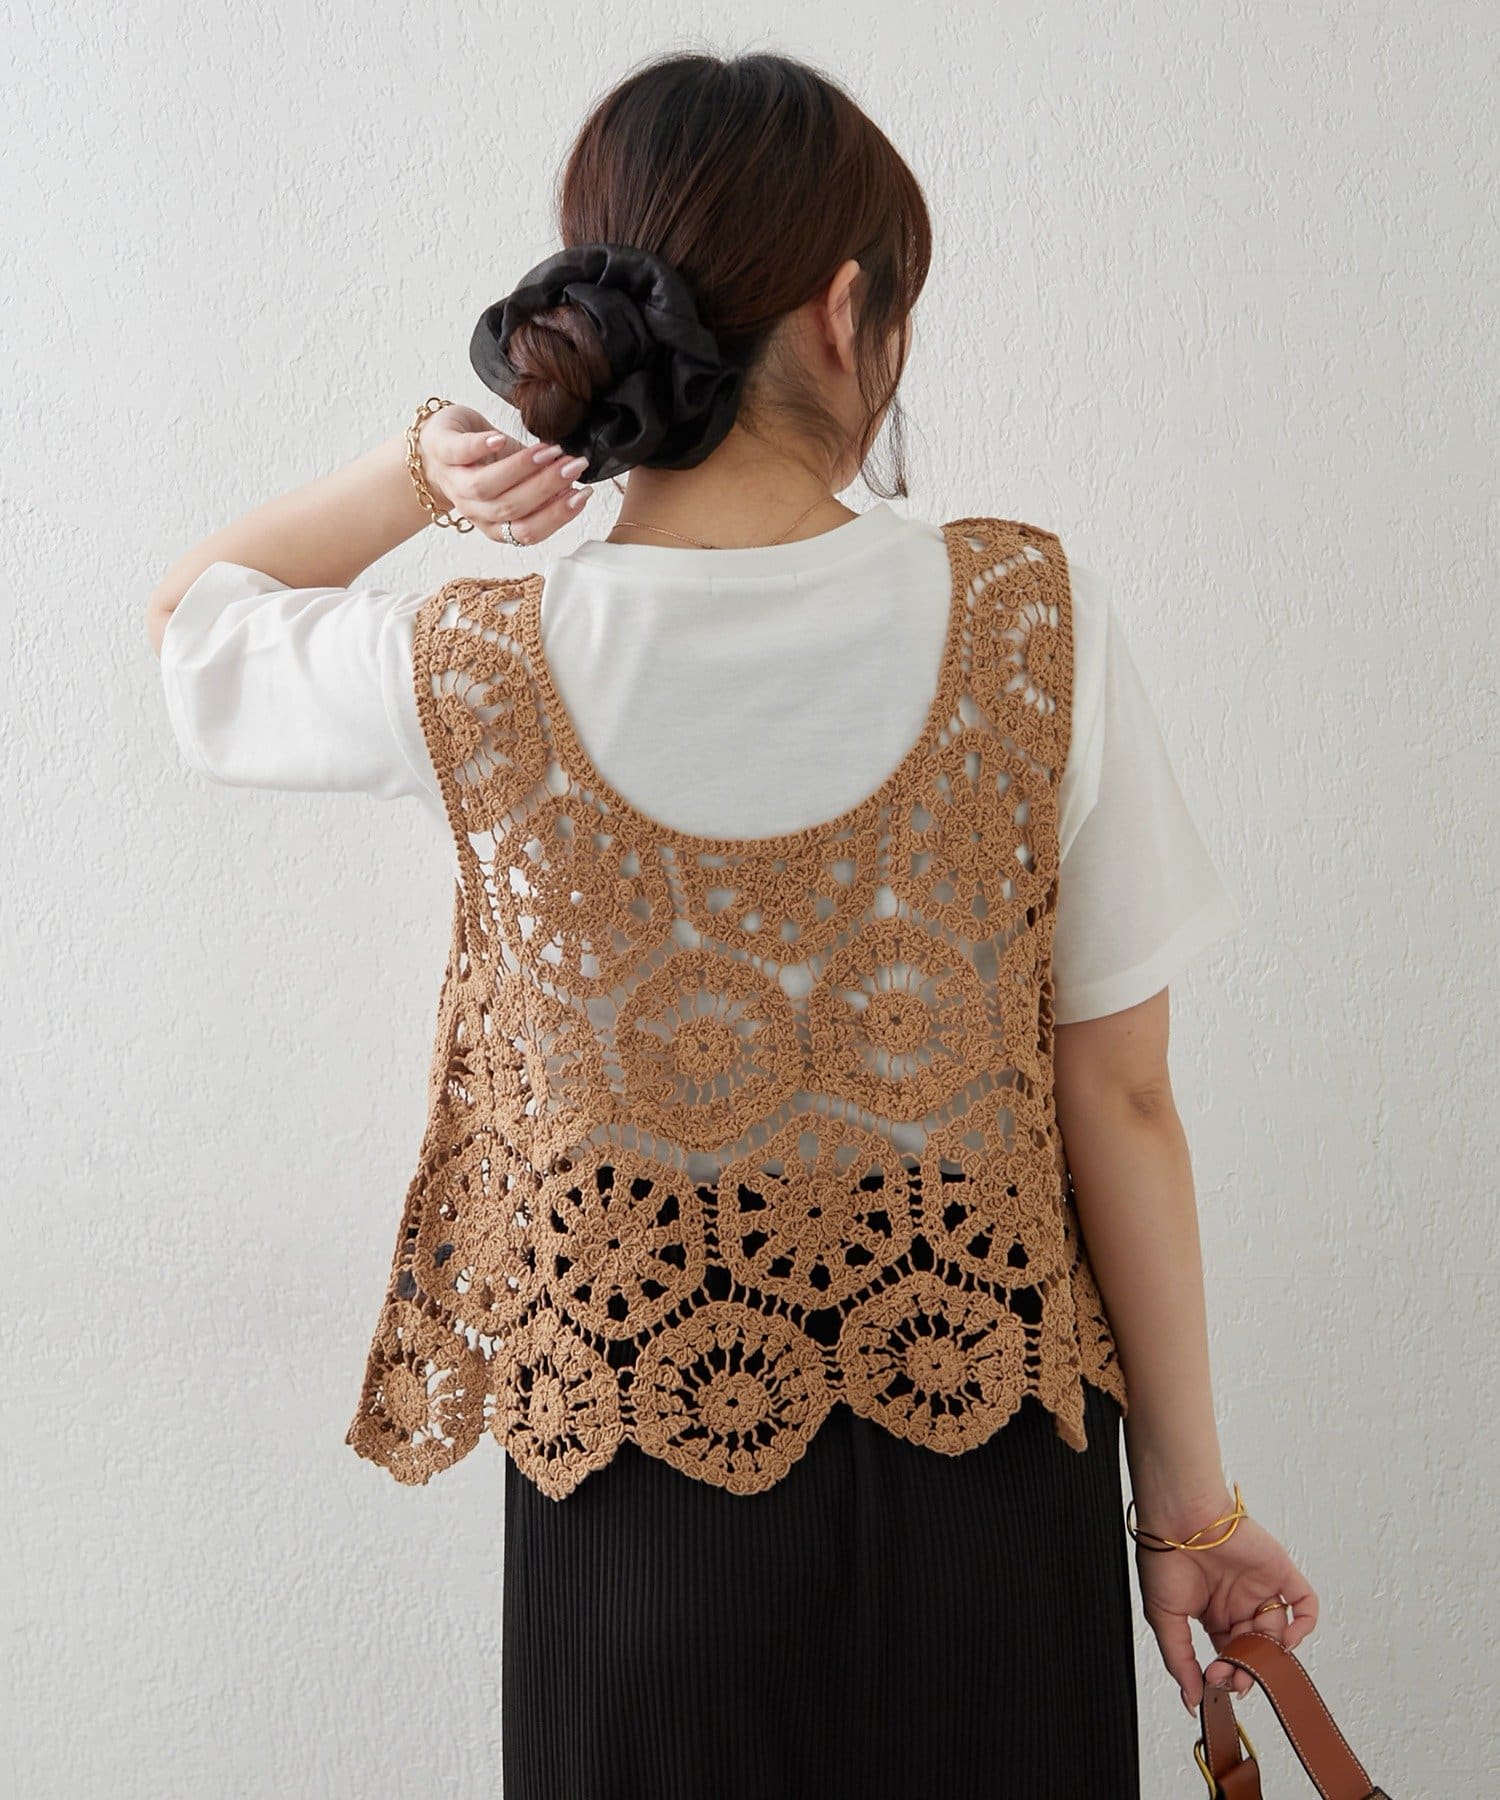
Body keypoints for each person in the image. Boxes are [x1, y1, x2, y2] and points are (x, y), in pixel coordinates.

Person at [146, 48, 1317, 1800]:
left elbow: (195, 623)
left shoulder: (473, 665)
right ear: (850, 313)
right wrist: (1191, 1516)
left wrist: (422, 473)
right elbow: (1124, 1098)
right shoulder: (1032, 618)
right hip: (994, 1460)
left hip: (631, 1472)